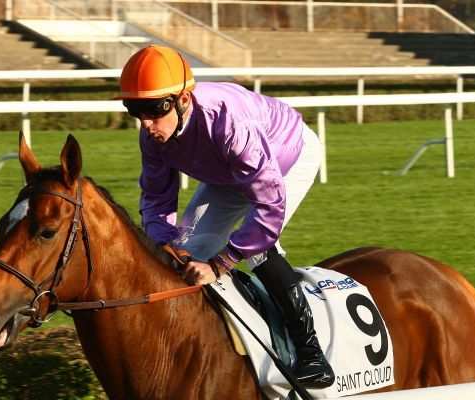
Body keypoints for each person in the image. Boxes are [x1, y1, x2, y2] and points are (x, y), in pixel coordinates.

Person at [117, 45, 334, 388]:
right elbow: (157, 199)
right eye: (135, 110)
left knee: (258, 248)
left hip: (287, 157)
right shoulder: (152, 135)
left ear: (183, 100)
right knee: (187, 248)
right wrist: (164, 243)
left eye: (155, 109)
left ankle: (313, 356)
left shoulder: (229, 123)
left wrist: (221, 264)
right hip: (229, 173)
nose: (146, 122)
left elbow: (268, 209)